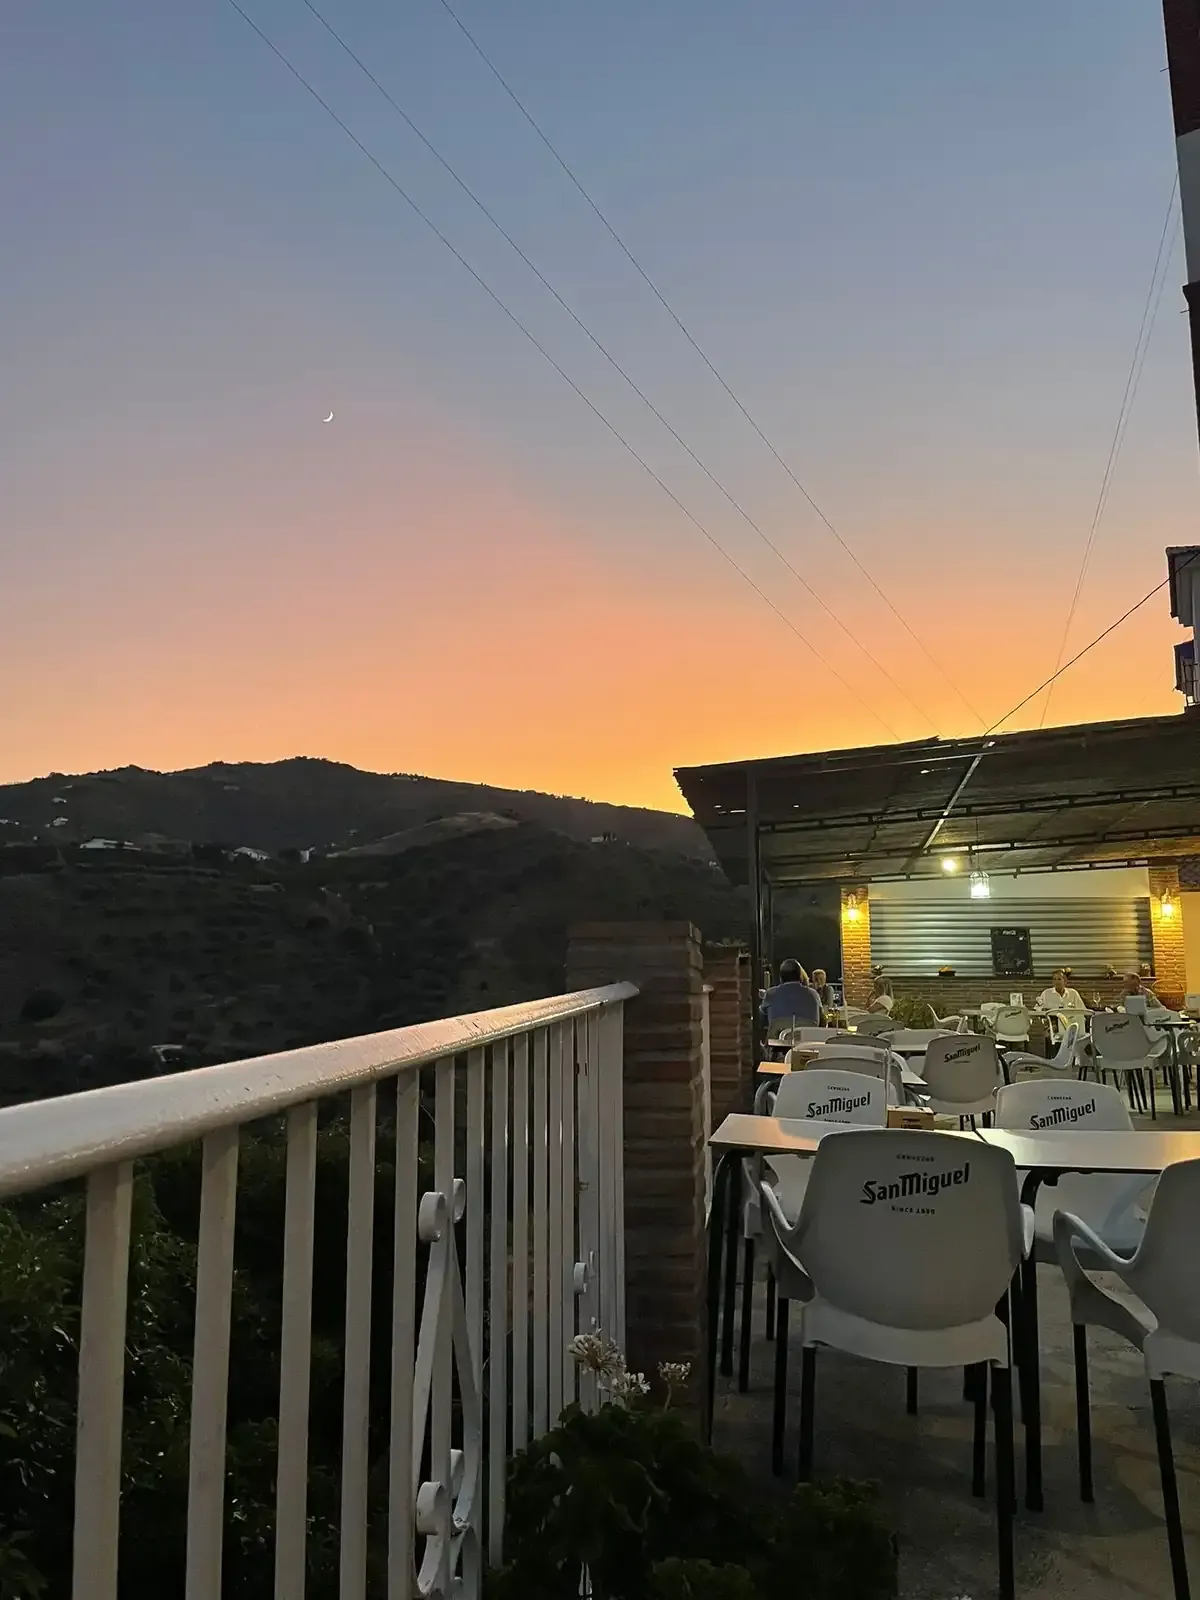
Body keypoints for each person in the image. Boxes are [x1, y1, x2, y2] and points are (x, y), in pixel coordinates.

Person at [759, 959, 821, 1031]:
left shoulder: (771, 994)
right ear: (800, 976)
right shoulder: (814, 995)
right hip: (808, 1040)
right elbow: (822, 1021)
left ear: (781, 978)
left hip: (776, 1040)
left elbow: (761, 1020)